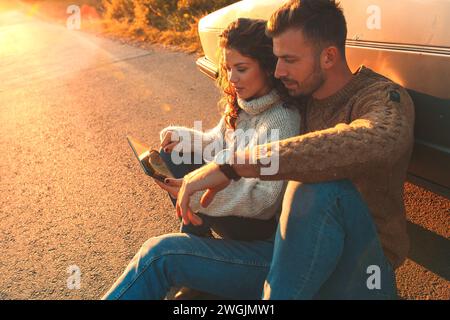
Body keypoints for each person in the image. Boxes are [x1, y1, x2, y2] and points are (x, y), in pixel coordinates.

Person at [104, 0, 415, 300]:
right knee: (161, 254)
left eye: (289, 60)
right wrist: (199, 155)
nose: (277, 71)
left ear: (328, 57)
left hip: (355, 273)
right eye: (276, 58)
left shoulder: (380, 96)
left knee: (313, 189)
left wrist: (235, 165)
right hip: (283, 255)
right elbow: (239, 128)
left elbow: (378, 138)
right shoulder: (300, 95)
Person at [102, 18, 300, 300]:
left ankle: (198, 268)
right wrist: (180, 138)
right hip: (241, 229)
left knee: (160, 254)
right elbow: (216, 141)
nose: (231, 78)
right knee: (175, 158)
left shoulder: (282, 120)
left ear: (268, 67)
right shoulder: (246, 104)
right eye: (228, 68)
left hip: (266, 253)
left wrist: (194, 192)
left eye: (241, 69)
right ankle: (199, 263)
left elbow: (265, 201)